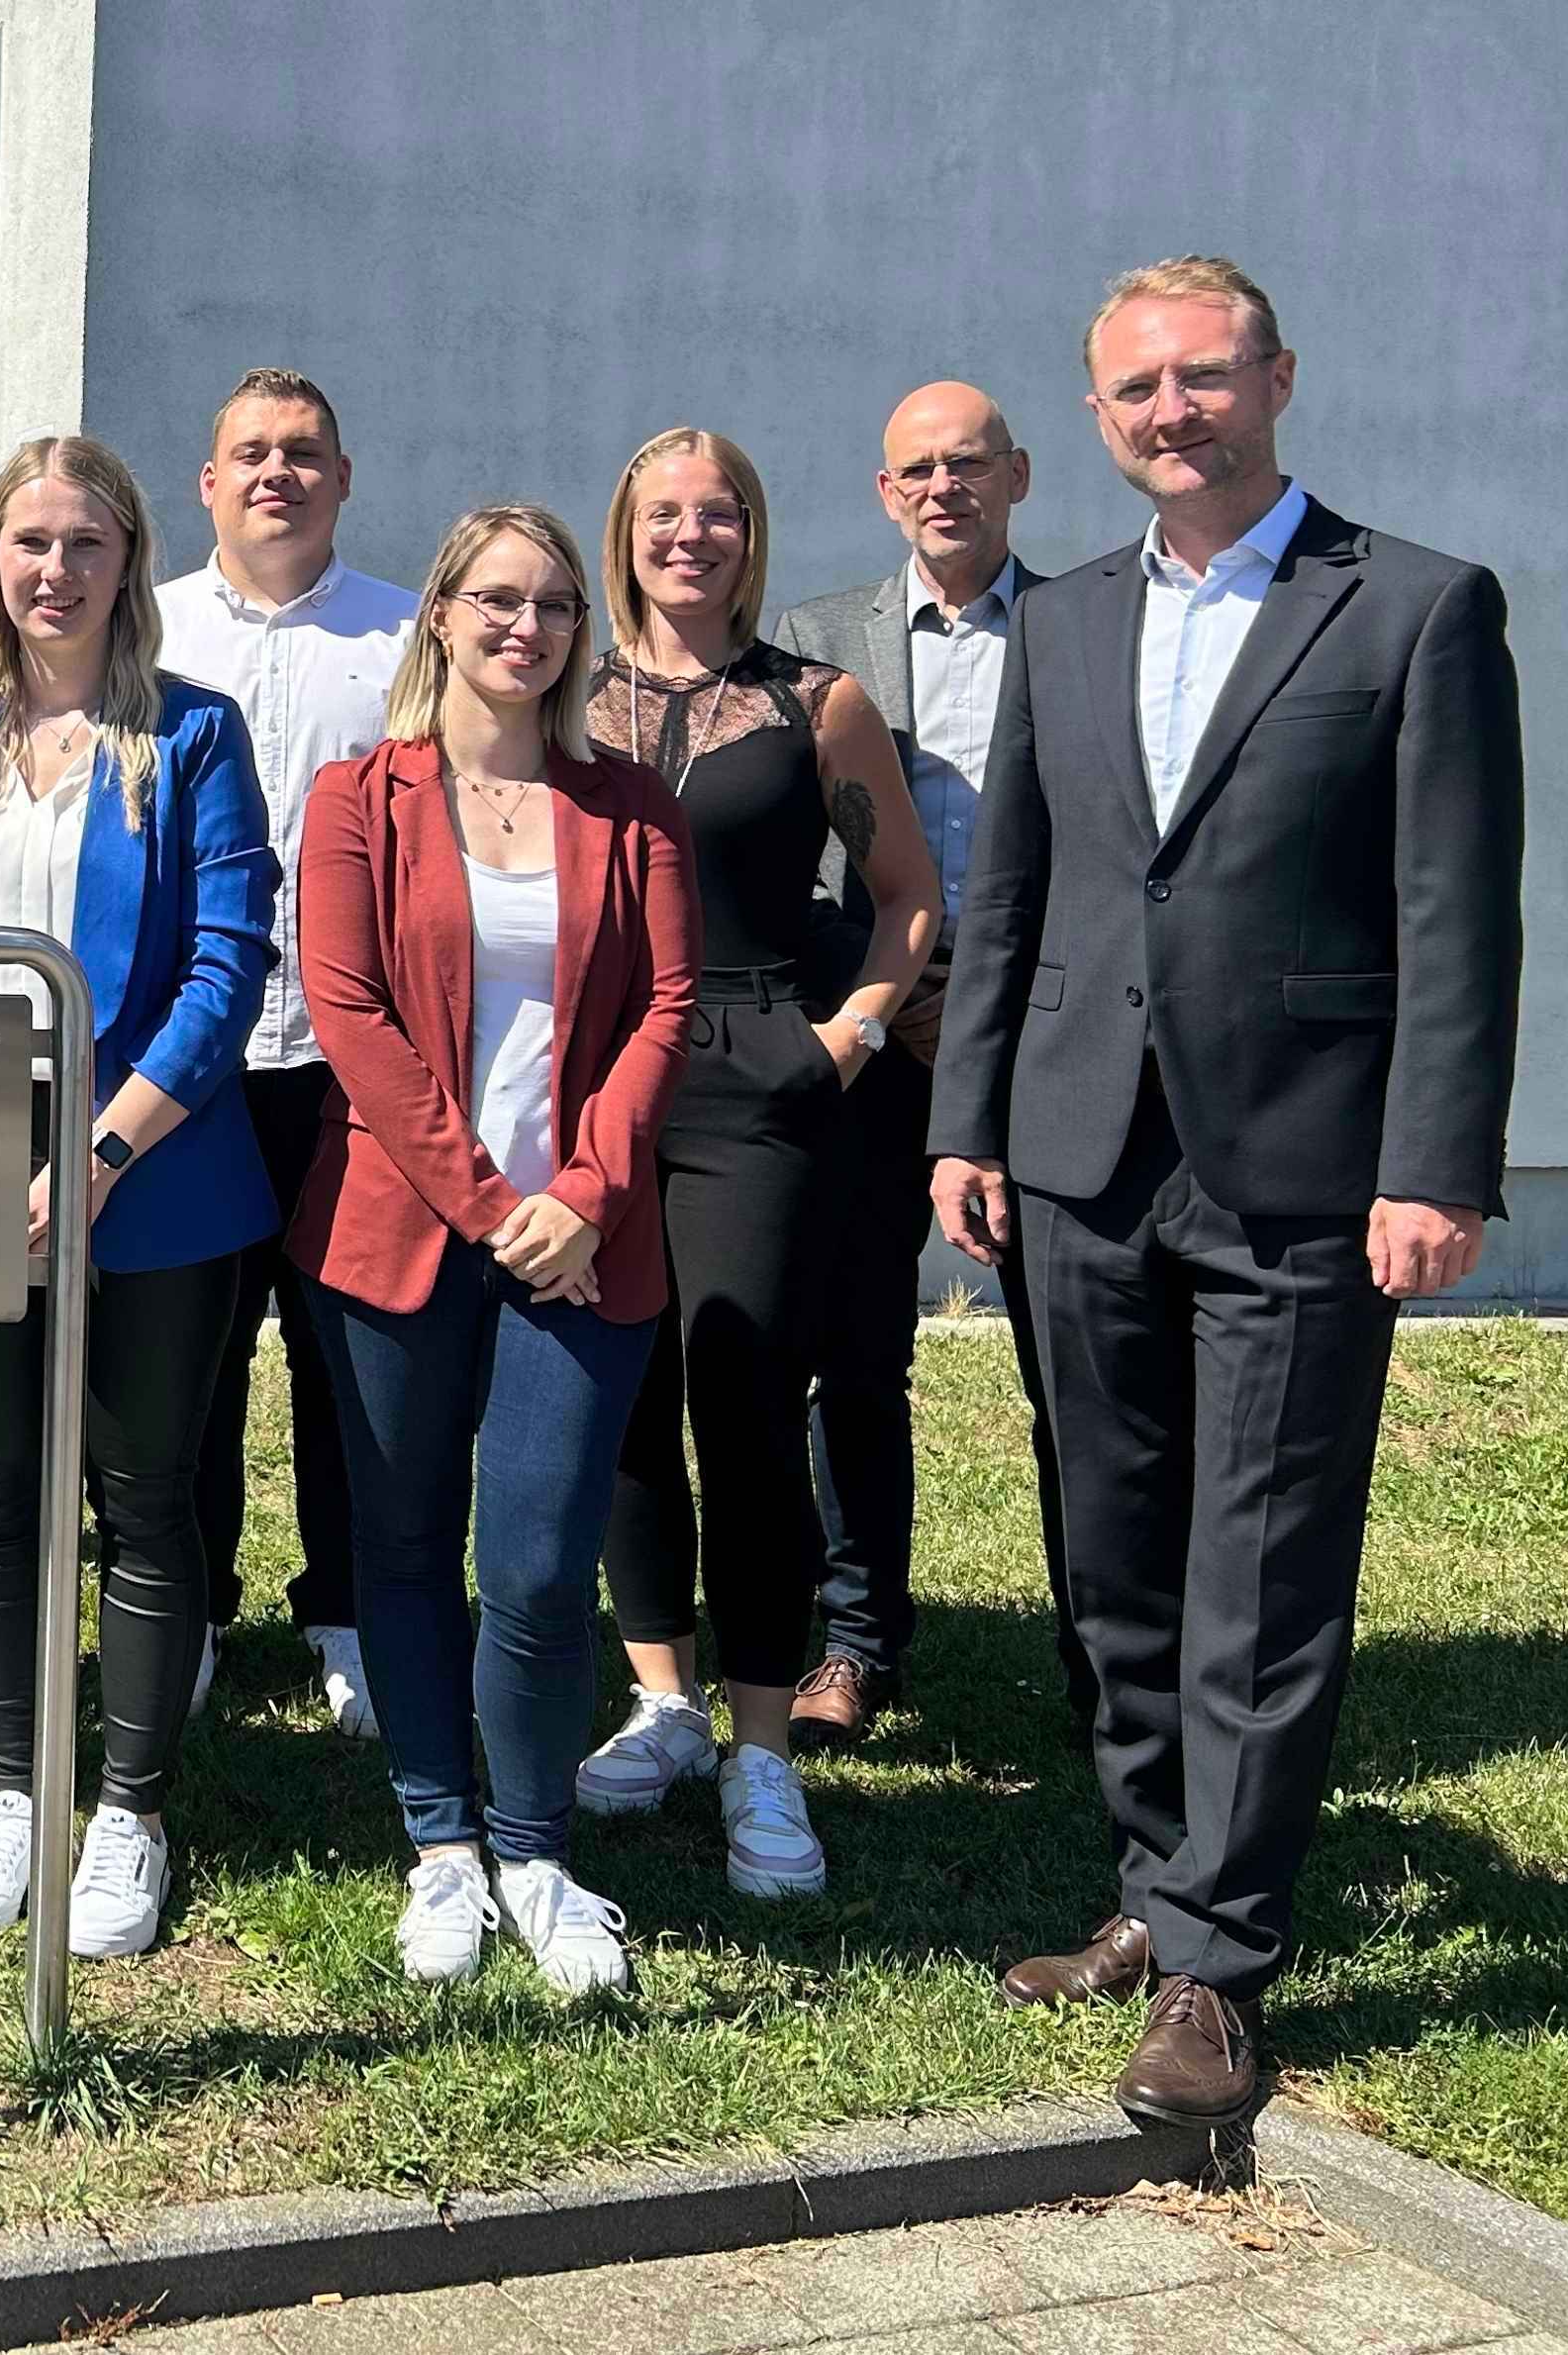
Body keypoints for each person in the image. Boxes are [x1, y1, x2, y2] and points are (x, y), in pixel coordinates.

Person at [935, 257, 1521, 2124]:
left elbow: (1454, 916)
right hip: (1081, 1149)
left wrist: (1434, 1162)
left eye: (1202, 377)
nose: (1170, 412)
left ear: (1276, 376)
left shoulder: (1418, 605)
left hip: (1302, 1166)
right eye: (1133, 392)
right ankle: (1149, 1874)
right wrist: (968, 1121)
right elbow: (1009, 894)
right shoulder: (1068, 618)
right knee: (1111, 1548)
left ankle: (1217, 1962)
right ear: (1096, 421)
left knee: (1259, 1566)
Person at [0, 434, 272, 1958]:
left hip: (151, 1166)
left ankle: (131, 1806)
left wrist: (98, 1148)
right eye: (28, 542)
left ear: (128, 562)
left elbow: (227, 967)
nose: (54, 571)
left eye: (84, 544)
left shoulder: (191, 739)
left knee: (144, 1500)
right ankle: (16, 1785)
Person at [293, 505, 697, 1998]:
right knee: (403, 1547)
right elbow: (349, 1015)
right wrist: (489, 1201)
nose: (523, 627)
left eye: (552, 604)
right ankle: (440, 1841)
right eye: (496, 599)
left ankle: (536, 1849)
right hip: (403, 1230)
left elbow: (666, 1007)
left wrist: (583, 1192)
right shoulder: (360, 797)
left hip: (588, 1242)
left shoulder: (632, 805)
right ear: (443, 615)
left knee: (532, 1563)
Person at [580, 427, 935, 1902]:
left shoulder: (816, 703)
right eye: (662, 513)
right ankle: (660, 1698)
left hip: (754, 1072)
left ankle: (762, 1743)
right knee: (619, 1395)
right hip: (595, 1076)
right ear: (625, 530)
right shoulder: (559, 689)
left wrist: (846, 1039)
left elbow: (909, 893)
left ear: (751, 533)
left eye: (716, 512)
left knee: (742, 1393)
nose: (689, 536)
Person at [774, 384, 1046, 1748]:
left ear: (1019, 476)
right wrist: (889, 996)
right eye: (917, 470)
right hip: (875, 1036)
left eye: (969, 464)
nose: (944, 487)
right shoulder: (816, 641)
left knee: (1079, 1365)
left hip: (1049, 1044)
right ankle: (856, 1638)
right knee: (855, 1350)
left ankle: (1111, 1657)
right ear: (887, 493)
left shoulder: (1083, 626)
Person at [151, 367, 415, 1730]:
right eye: (249, 451)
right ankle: (182, 1608)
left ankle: (349, 1609)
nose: (276, 473)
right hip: (180, 1066)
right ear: (207, 483)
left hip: (338, 1060)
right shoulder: (149, 635)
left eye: (303, 453)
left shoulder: (403, 641)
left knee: (341, 1352)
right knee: (182, 1353)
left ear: (342, 477)